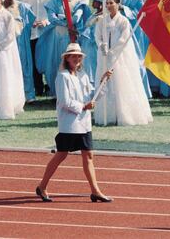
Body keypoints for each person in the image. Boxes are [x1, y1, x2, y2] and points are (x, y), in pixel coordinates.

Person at [36, 43, 113, 203]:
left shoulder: (83, 75)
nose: (77, 59)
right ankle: (42, 186)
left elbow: (93, 95)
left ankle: (95, 191)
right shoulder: (62, 77)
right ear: (67, 58)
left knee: (88, 155)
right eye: (73, 56)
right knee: (61, 154)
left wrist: (103, 82)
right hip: (70, 124)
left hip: (84, 124)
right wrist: (84, 106)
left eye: (79, 56)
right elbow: (65, 101)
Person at [94, 0, 152, 126]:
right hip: (104, 56)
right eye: (107, 3)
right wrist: (101, 45)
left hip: (119, 56)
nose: (108, 6)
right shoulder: (102, 20)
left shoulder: (123, 21)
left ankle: (124, 114)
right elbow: (97, 35)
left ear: (118, 4)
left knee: (121, 82)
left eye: (111, 3)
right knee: (105, 81)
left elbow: (124, 38)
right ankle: (106, 114)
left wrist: (113, 50)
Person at [36, 0, 91, 97]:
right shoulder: (55, 2)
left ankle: (72, 92)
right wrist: (65, 20)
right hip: (55, 38)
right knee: (54, 63)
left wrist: (64, 19)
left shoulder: (78, 3)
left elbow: (76, 18)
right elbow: (52, 18)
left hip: (70, 39)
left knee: (71, 63)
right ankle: (55, 93)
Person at [23, 0, 59, 96]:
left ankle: (50, 86)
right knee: (33, 59)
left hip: (47, 32)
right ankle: (38, 87)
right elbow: (26, 11)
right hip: (33, 32)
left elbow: (57, 11)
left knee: (49, 60)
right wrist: (31, 22)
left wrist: (46, 21)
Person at [2, 0, 37, 103]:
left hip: (21, 42)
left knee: (25, 67)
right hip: (6, 44)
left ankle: (28, 94)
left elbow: (32, 21)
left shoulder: (23, 7)